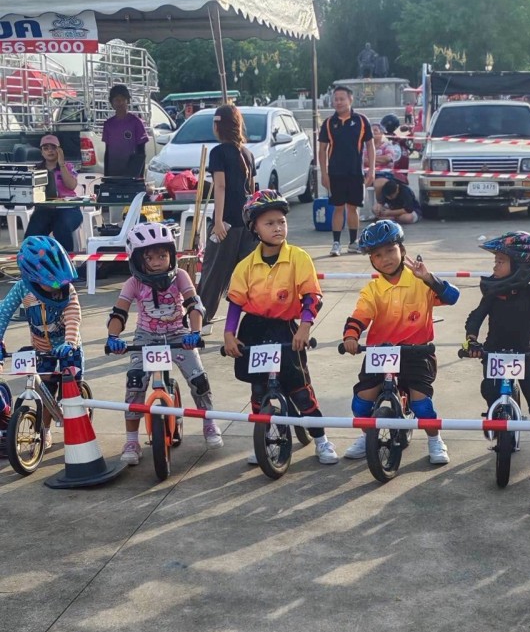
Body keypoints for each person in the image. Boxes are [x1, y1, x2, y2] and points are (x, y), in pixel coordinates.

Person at [223, 190, 339, 466]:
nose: (277, 227)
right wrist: (229, 334)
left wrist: (304, 328)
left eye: (281, 222)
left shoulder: (299, 257)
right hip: (253, 330)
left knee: (300, 390)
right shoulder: (245, 266)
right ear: (255, 228)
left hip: (285, 328)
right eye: (269, 223)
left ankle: (321, 440)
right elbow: (236, 303)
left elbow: (311, 296)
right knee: (259, 390)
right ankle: (264, 439)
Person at [342, 220, 459, 464]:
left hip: (416, 352)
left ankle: (435, 439)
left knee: (422, 406)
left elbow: (452, 297)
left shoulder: (420, 281)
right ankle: (367, 435)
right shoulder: (372, 289)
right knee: (361, 405)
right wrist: (351, 337)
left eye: (390, 250)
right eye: (377, 255)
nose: (385, 258)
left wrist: (429, 278)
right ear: (371, 260)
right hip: (381, 352)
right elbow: (359, 316)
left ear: (402, 250)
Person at [106, 222, 222, 465]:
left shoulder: (180, 276)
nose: (157, 262)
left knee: (199, 379)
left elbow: (194, 304)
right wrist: (113, 338)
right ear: (138, 260)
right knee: (135, 383)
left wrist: (195, 332)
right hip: (146, 337)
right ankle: (131, 440)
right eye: (149, 258)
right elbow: (119, 312)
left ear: (171, 254)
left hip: (179, 335)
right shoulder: (133, 283)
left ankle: (209, 422)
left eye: (162, 255)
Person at [463, 231, 530, 466]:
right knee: (490, 391)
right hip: (493, 354)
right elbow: (475, 318)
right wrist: (471, 341)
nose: (495, 266)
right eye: (495, 261)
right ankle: (498, 419)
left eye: (500, 261)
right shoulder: (493, 292)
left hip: (524, 354)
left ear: (519, 267)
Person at [0, 235, 83, 451]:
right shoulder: (22, 288)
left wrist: (70, 342)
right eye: (50, 283)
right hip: (42, 348)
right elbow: (3, 313)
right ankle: (44, 430)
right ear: (33, 278)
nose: (56, 288)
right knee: (46, 389)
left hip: (68, 347)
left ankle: (78, 422)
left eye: (60, 282)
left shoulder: (66, 290)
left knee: (71, 390)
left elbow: (73, 316)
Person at [197, 104, 258, 328]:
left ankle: (200, 318)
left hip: (227, 221)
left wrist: (218, 221)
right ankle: (256, 317)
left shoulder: (219, 152)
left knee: (213, 273)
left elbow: (220, 186)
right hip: (248, 223)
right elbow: (252, 190)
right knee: (247, 276)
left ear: (218, 126)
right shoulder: (248, 153)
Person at [319, 85, 375, 257]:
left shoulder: (361, 121)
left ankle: (353, 242)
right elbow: (322, 150)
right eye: (336, 99)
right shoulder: (329, 123)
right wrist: (324, 173)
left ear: (350, 99)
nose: (338, 102)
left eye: (342, 99)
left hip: (355, 172)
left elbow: (370, 146)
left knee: (353, 208)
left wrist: (372, 170)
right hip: (335, 173)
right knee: (338, 208)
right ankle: (336, 243)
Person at [23, 133, 83, 252]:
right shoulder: (36, 170)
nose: (50, 151)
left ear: (59, 150)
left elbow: (71, 185)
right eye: (46, 148)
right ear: (42, 152)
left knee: (61, 227)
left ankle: (65, 259)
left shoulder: (68, 167)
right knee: (33, 233)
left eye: (53, 148)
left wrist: (61, 164)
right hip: (45, 209)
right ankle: (33, 260)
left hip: (68, 209)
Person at [102, 84, 148, 177]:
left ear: (128, 101)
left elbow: (141, 153)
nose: (120, 103)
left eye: (123, 99)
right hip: (113, 172)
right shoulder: (108, 124)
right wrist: (106, 176)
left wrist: (139, 177)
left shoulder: (136, 122)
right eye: (117, 100)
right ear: (111, 102)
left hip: (131, 174)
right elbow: (107, 152)